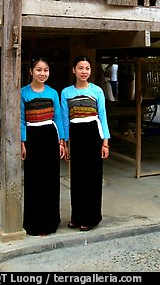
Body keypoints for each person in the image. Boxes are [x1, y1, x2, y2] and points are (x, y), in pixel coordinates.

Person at [61, 55, 110, 231]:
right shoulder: (66, 92)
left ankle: (91, 218)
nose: (84, 71)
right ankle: (77, 216)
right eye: (80, 68)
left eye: (87, 68)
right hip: (76, 135)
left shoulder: (97, 91)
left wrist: (105, 142)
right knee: (77, 177)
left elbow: (103, 116)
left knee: (93, 177)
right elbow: (65, 119)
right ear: (74, 70)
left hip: (93, 135)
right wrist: (65, 142)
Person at [21, 57, 66, 236]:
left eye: (45, 70)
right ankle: (34, 224)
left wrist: (61, 141)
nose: (42, 73)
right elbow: (21, 120)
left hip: (50, 136)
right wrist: (22, 142)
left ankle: (50, 222)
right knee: (33, 181)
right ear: (31, 71)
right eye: (38, 70)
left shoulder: (53, 93)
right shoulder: (23, 93)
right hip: (32, 137)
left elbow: (58, 118)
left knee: (50, 180)